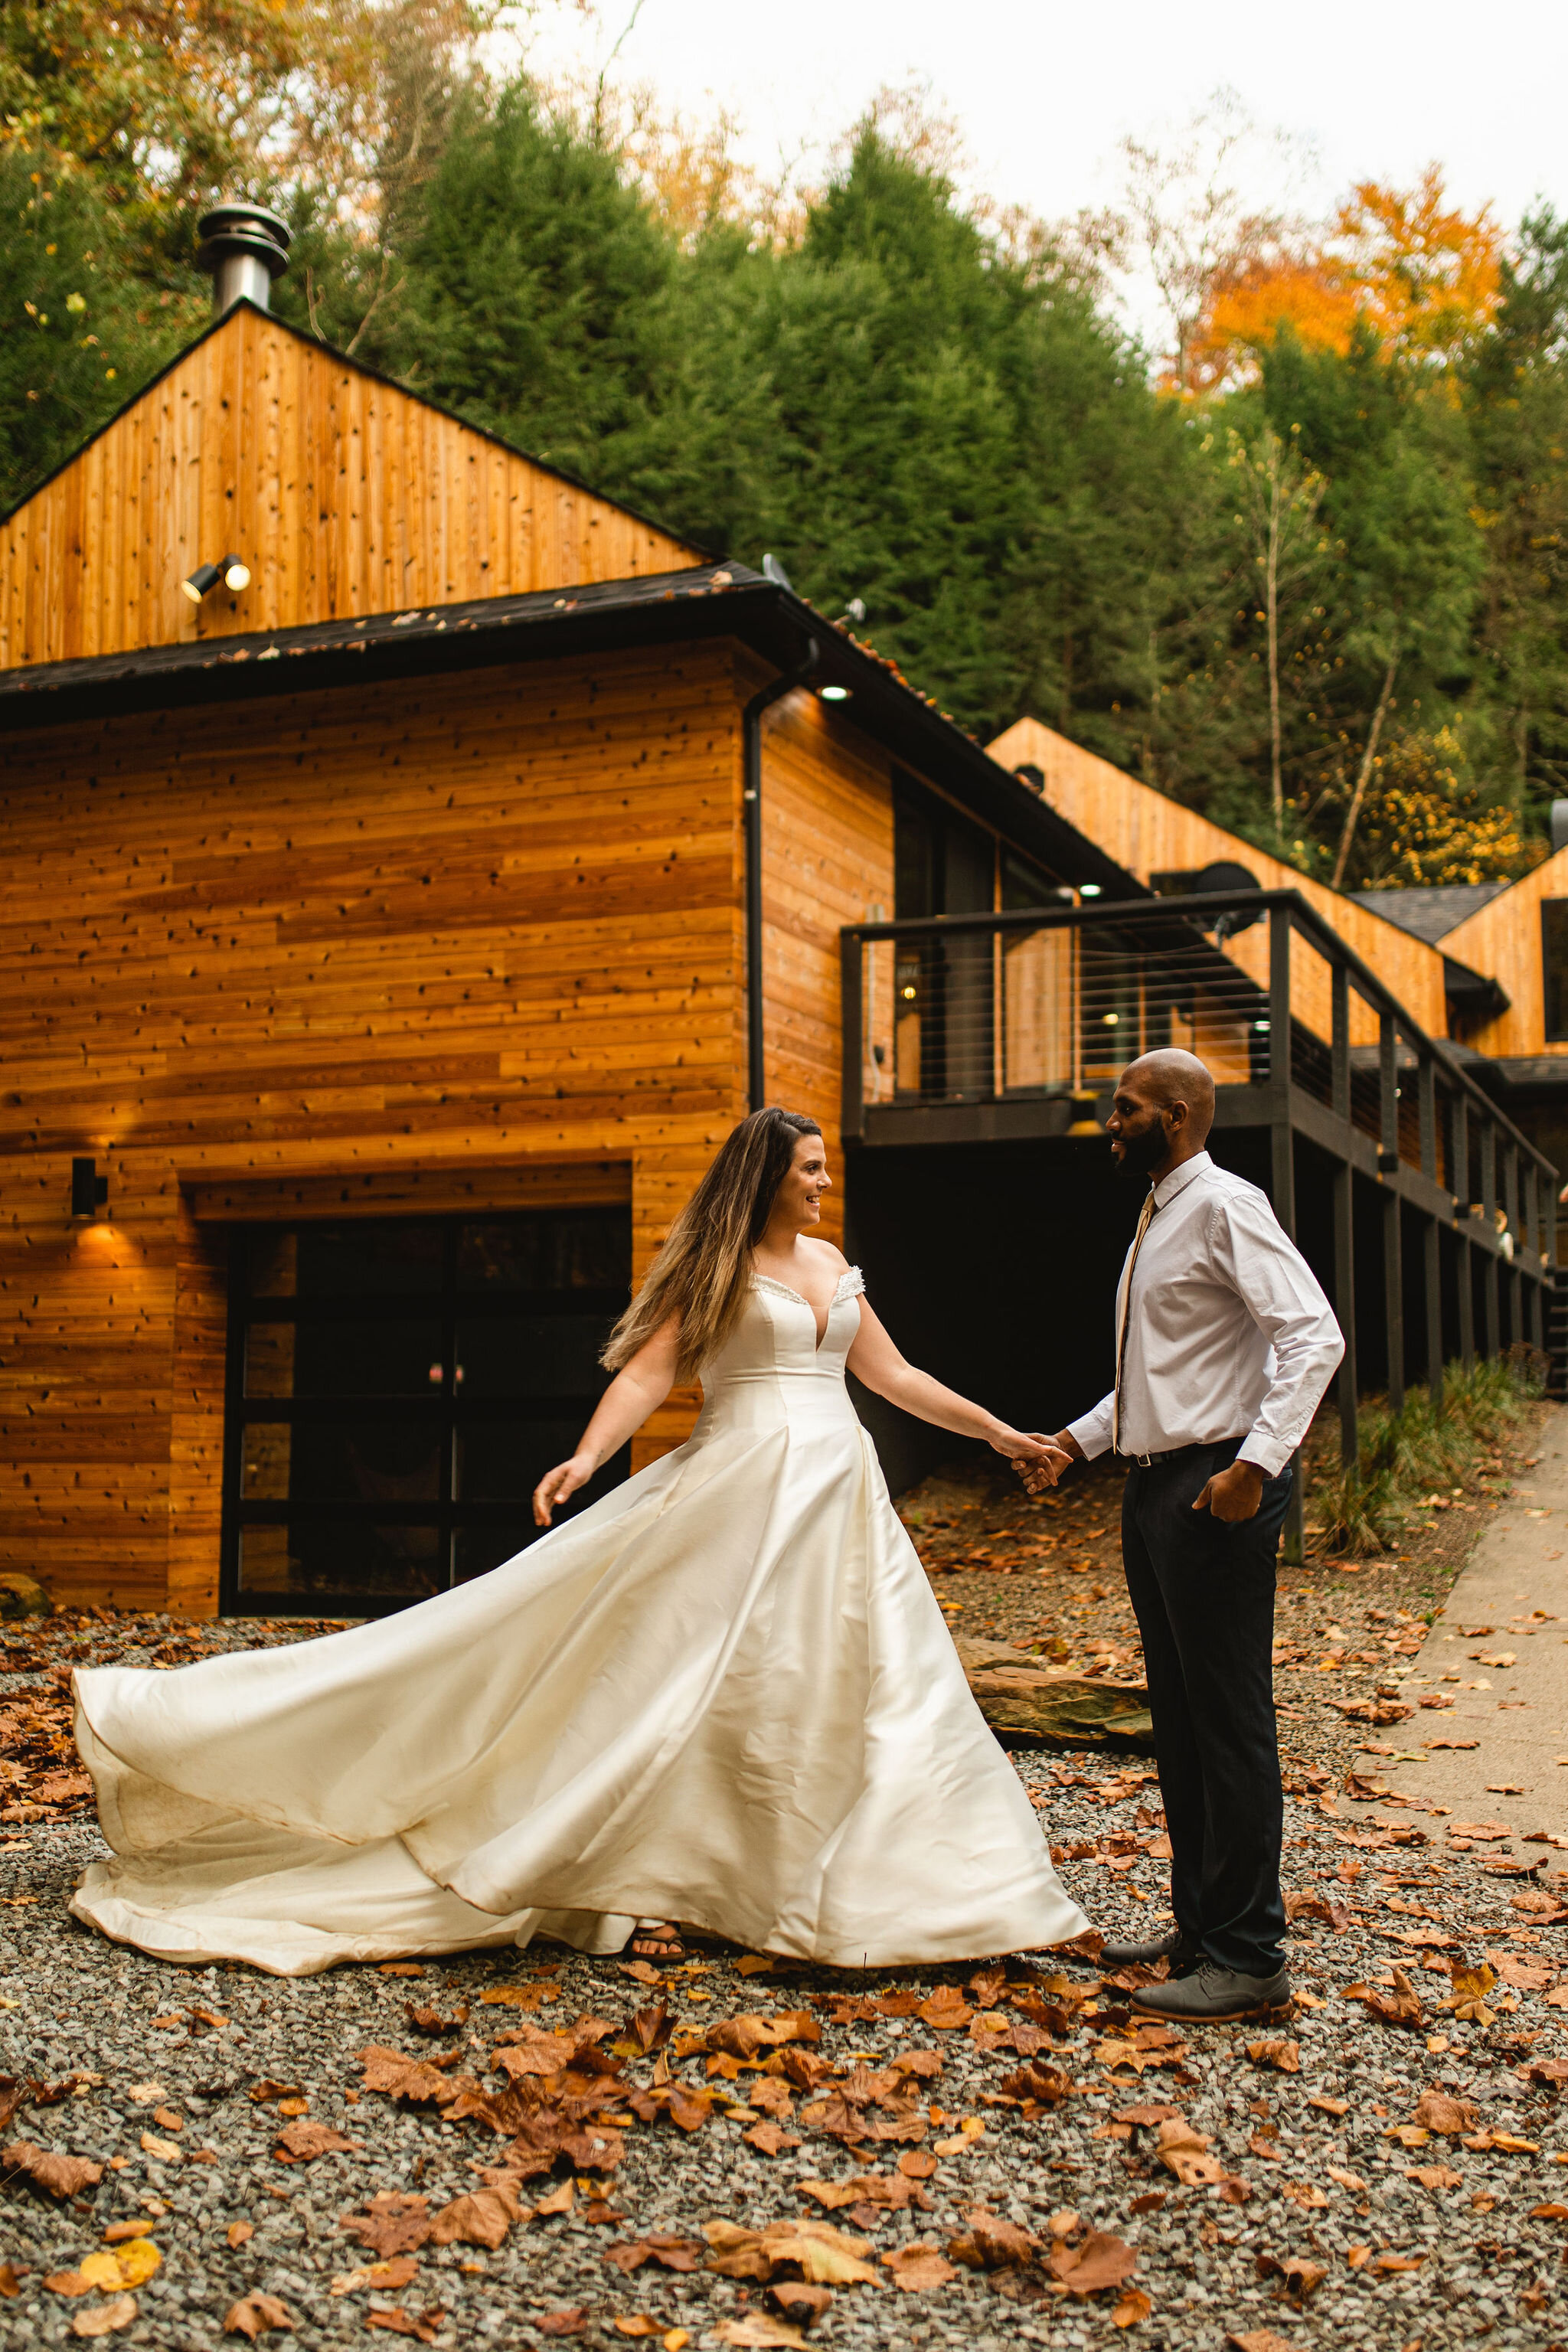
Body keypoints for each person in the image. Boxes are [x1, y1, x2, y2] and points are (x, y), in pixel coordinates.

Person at [70, 1107, 1089, 1976]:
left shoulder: (831, 1264)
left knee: (855, 1683)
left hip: (839, 1492)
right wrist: (588, 1457)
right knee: (685, 1679)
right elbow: (650, 1375)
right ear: (768, 1177)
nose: (826, 1182)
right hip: (739, 1487)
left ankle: (880, 1884)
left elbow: (894, 1380)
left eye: (824, 1169)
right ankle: (675, 1862)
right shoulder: (718, 1268)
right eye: (811, 1168)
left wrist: (999, 1432)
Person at [1039, 1050, 1343, 2024]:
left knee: (1227, 1722)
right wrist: (1076, 1445)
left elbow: (1312, 1335)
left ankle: (1250, 1956)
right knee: (1178, 1720)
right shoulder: (1157, 1211)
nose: (1109, 1120)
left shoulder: (1224, 1206)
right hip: (1154, 1487)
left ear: (1174, 1114)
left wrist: (1253, 1468)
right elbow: (1162, 1374)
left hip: (1213, 1490)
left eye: (1123, 1108)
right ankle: (1202, 1928)